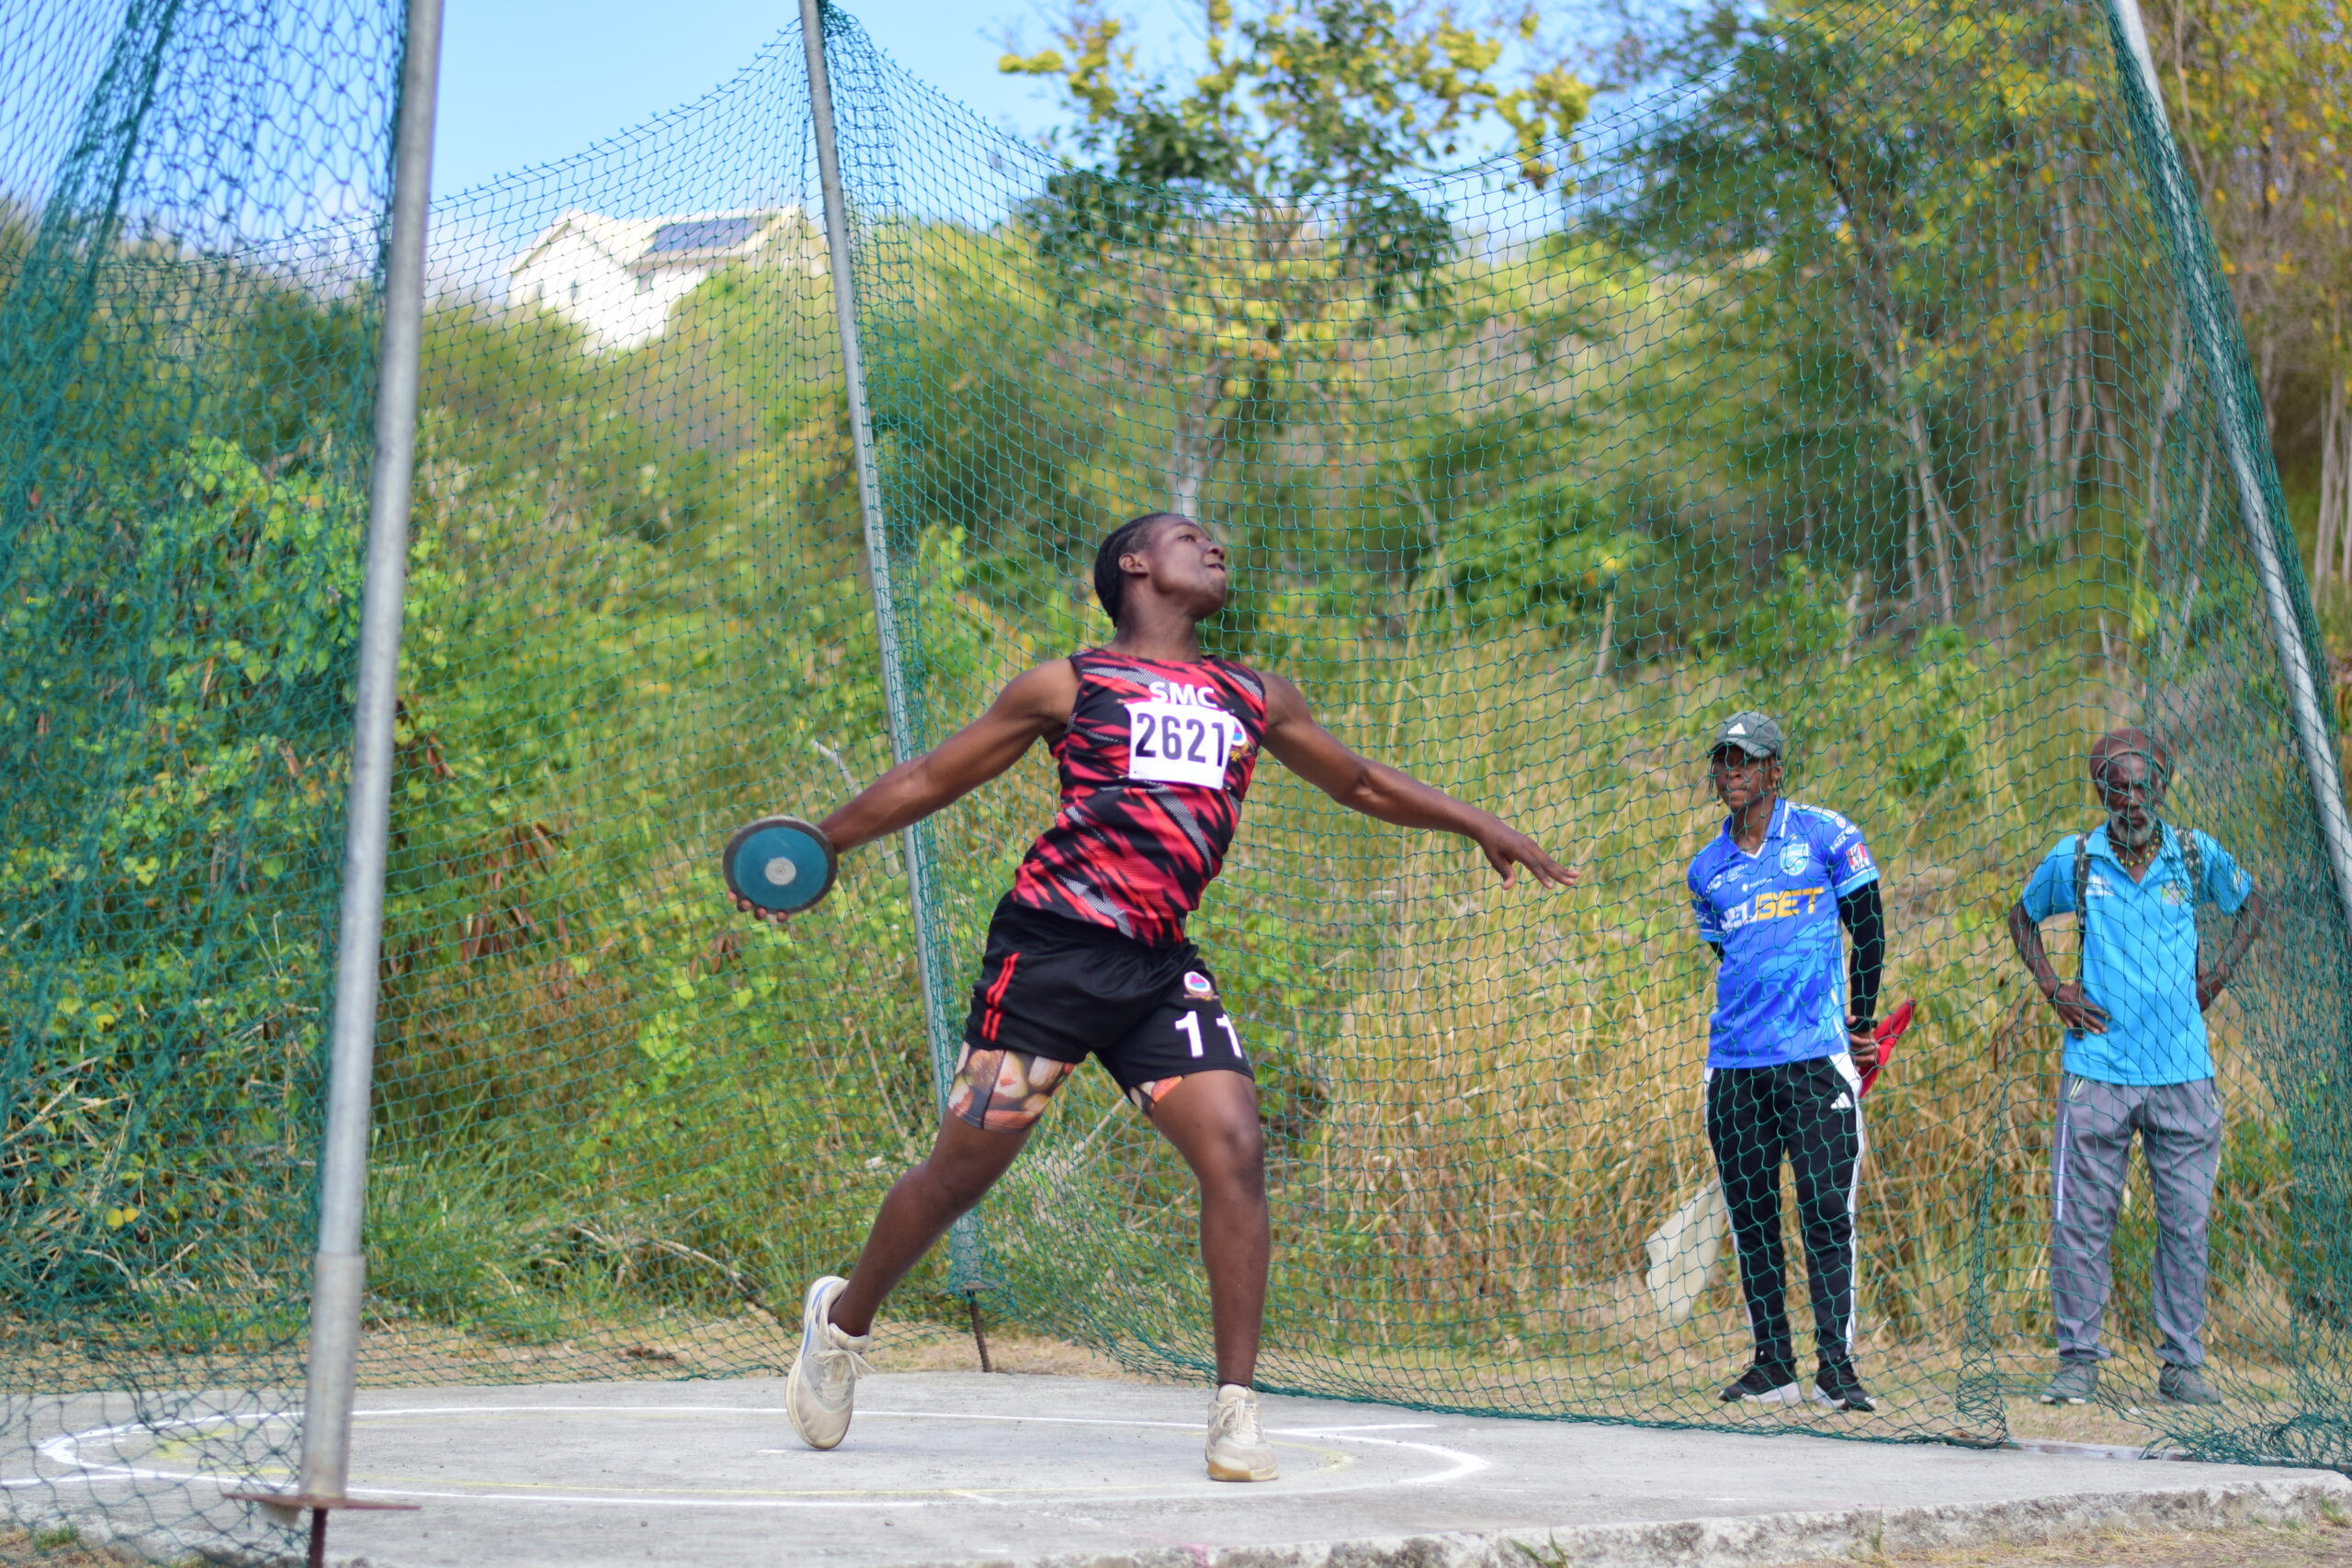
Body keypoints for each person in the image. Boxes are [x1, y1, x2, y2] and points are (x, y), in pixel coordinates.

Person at [735, 512, 1576, 1481]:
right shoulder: (1069, 684)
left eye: (1217, 538)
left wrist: (1476, 821)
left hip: (1156, 971)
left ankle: (1234, 1410)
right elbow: (933, 775)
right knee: (959, 1178)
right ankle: (843, 1324)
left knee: (1236, 1149)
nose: (1215, 545)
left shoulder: (1253, 695)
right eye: (1188, 535)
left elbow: (1359, 781)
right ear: (1134, 564)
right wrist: (817, 846)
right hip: (1048, 957)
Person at [2007, 727, 2263, 1409]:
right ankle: (2077, 1363)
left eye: (2142, 786)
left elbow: (2252, 904)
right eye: (2117, 788)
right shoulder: (2076, 859)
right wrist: (2055, 989)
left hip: (2183, 1070)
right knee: (2082, 1224)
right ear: (2100, 792)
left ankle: (2182, 1367)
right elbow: (2020, 917)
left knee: (2186, 1225)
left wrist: (2217, 977)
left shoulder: (2193, 854)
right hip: (2097, 1067)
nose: (2132, 801)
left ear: (2162, 787)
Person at [1684, 712, 1886, 1413]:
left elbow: (1869, 926)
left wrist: (1860, 1019)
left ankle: (1837, 1368)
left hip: (1815, 1060)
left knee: (1826, 1209)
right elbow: (1728, 952)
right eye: (1723, 760)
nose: (1732, 771)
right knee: (1752, 1215)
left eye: (1745, 759)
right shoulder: (1706, 868)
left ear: (1775, 768)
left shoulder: (1827, 835)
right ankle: (1774, 1364)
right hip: (1734, 1066)